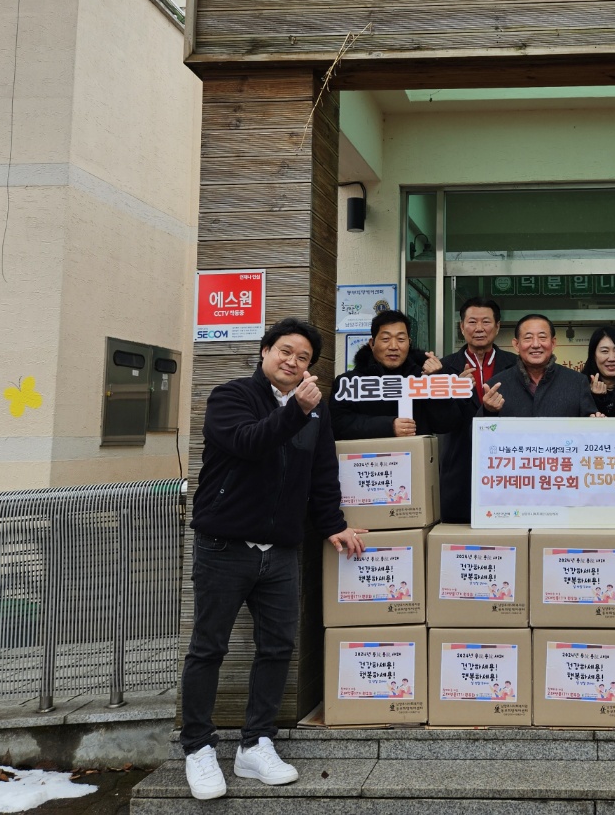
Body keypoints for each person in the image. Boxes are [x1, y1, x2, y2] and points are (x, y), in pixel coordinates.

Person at [180, 317, 367, 801]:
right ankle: (198, 746)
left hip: (280, 549)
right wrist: (296, 412)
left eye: (304, 358)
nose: (293, 362)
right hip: (224, 546)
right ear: (265, 351)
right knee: (208, 648)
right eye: (286, 351)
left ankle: (255, 743)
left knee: (278, 647)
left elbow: (322, 472)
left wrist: (333, 523)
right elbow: (248, 442)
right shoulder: (231, 396)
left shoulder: (315, 410)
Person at [430, 297, 518, 524]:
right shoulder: (443, 368)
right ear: (461, 327)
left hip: (507, 466)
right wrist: (456, 391)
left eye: (486, 322)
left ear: (497, 326)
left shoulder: (517, 366)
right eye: (472, 322)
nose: (479, 328)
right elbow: (440, 422)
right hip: (459, 467)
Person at [331, 309, 465, 440]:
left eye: (401, 339)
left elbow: (446, 425)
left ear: (409, 343)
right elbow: (338, 425)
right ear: (372, 343)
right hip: (368, 455)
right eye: (385, 339)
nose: (394, 346)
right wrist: (388, 426)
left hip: (416, 454)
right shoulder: (349, 383)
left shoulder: (422, 378)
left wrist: (436, 380)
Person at [479, 315, 599, 418]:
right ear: (516, 344)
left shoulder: (577, 382)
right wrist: (488, 411)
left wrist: (597, 421)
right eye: (528, 338)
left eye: (542, 337)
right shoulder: (497, 385)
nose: (536, 344)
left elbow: (591, 429)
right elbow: (476, 433)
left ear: (553, 343)